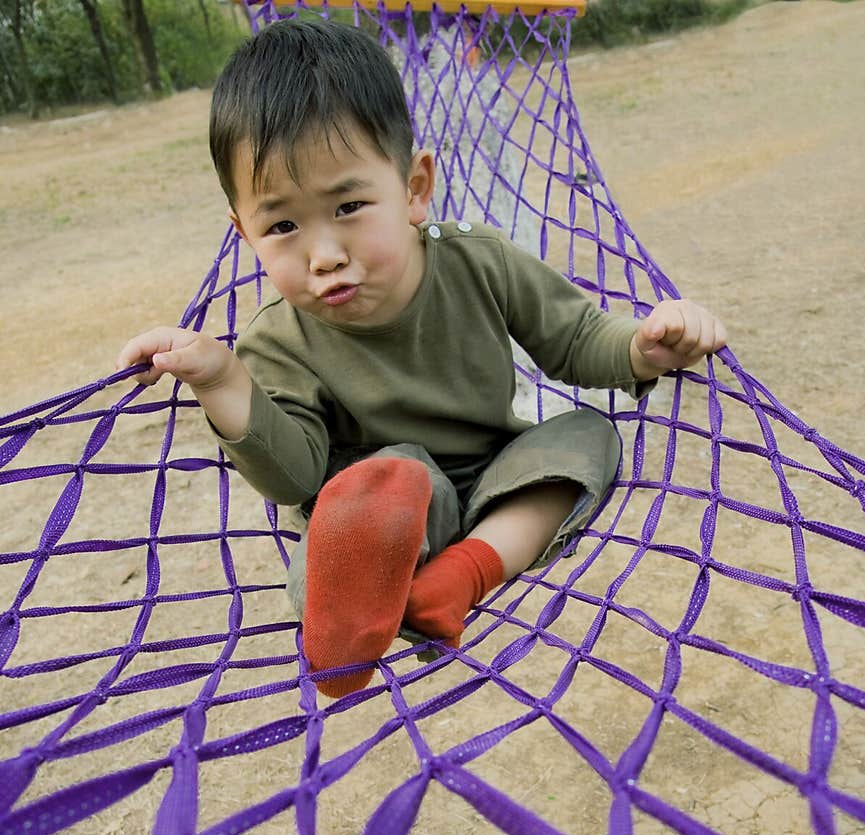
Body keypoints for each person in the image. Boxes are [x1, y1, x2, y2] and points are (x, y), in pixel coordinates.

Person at [117, 19, 727, 699]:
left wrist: (643, 346)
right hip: (378, 510)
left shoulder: (480, 261)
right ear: (244, 232)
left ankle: (460, 577)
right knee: (350, 516)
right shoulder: (277, 340)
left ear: (414, 187)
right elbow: (293, 474)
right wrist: (225, 380)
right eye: (282, 226)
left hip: (496, 471)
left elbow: (576, 341)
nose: (324, 254)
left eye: (349, 205)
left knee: (587, 437)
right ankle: (354, 612)